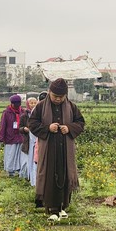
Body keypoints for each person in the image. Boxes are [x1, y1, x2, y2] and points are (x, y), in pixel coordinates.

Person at [29, 79, 85, 222]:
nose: (58, 99)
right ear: (49, 92)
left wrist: (69, 128)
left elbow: (80, 122)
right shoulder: (41, 106)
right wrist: (47, 128)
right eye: (55, 96)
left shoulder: (71, 106)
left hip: (66, 149)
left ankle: (63, 207)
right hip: (49, 149)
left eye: (61, 97)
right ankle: (52, 209)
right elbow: (32, 124)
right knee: (49, 177)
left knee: (66, 175)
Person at [0, 94, 23, 176]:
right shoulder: (6, 113)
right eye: (15, 104)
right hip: (10, 137)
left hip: (20, 137)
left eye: (19, 103)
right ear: (11, 103)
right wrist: (1, 138)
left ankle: (18, 170)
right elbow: (3, 125)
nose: (17, 105)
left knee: (18, 155)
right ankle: (10, 170)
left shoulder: (22, 112)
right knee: (10, 154)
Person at [19, 97, 37, 180]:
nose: (33, 105)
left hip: (36, 140)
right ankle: (26, 176)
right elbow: (20, 128)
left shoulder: (38, 114)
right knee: (26, 159)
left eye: (35, 103)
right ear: (27, 104)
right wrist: (24, 129)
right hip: (27, 140)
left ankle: (33, 177)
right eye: (31, 103)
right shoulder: (24, 116)